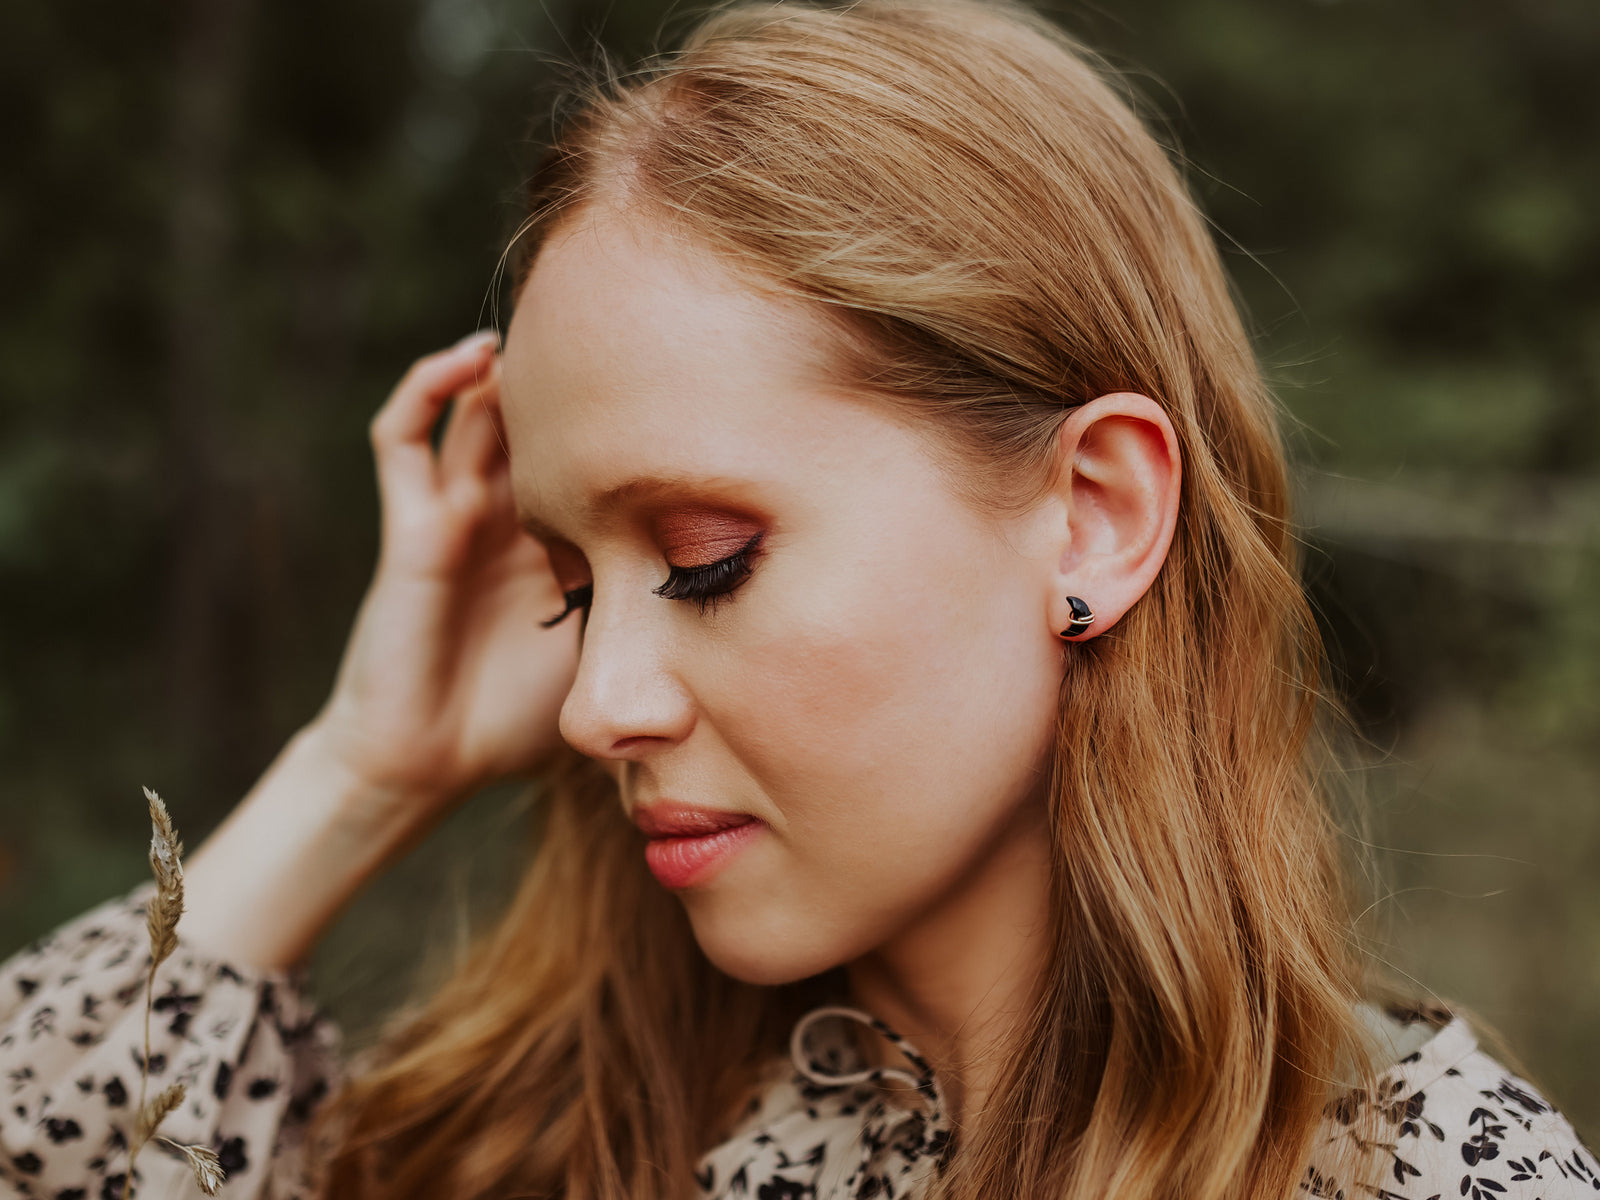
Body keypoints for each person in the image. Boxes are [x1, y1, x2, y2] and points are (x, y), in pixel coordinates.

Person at [1, 0, 1593, 1197]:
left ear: (1096, 518)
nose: (593, 701)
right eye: (569, 587)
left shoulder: (1431, 1178)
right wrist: (364, 767)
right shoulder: (535, 1148)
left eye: (706, 558)